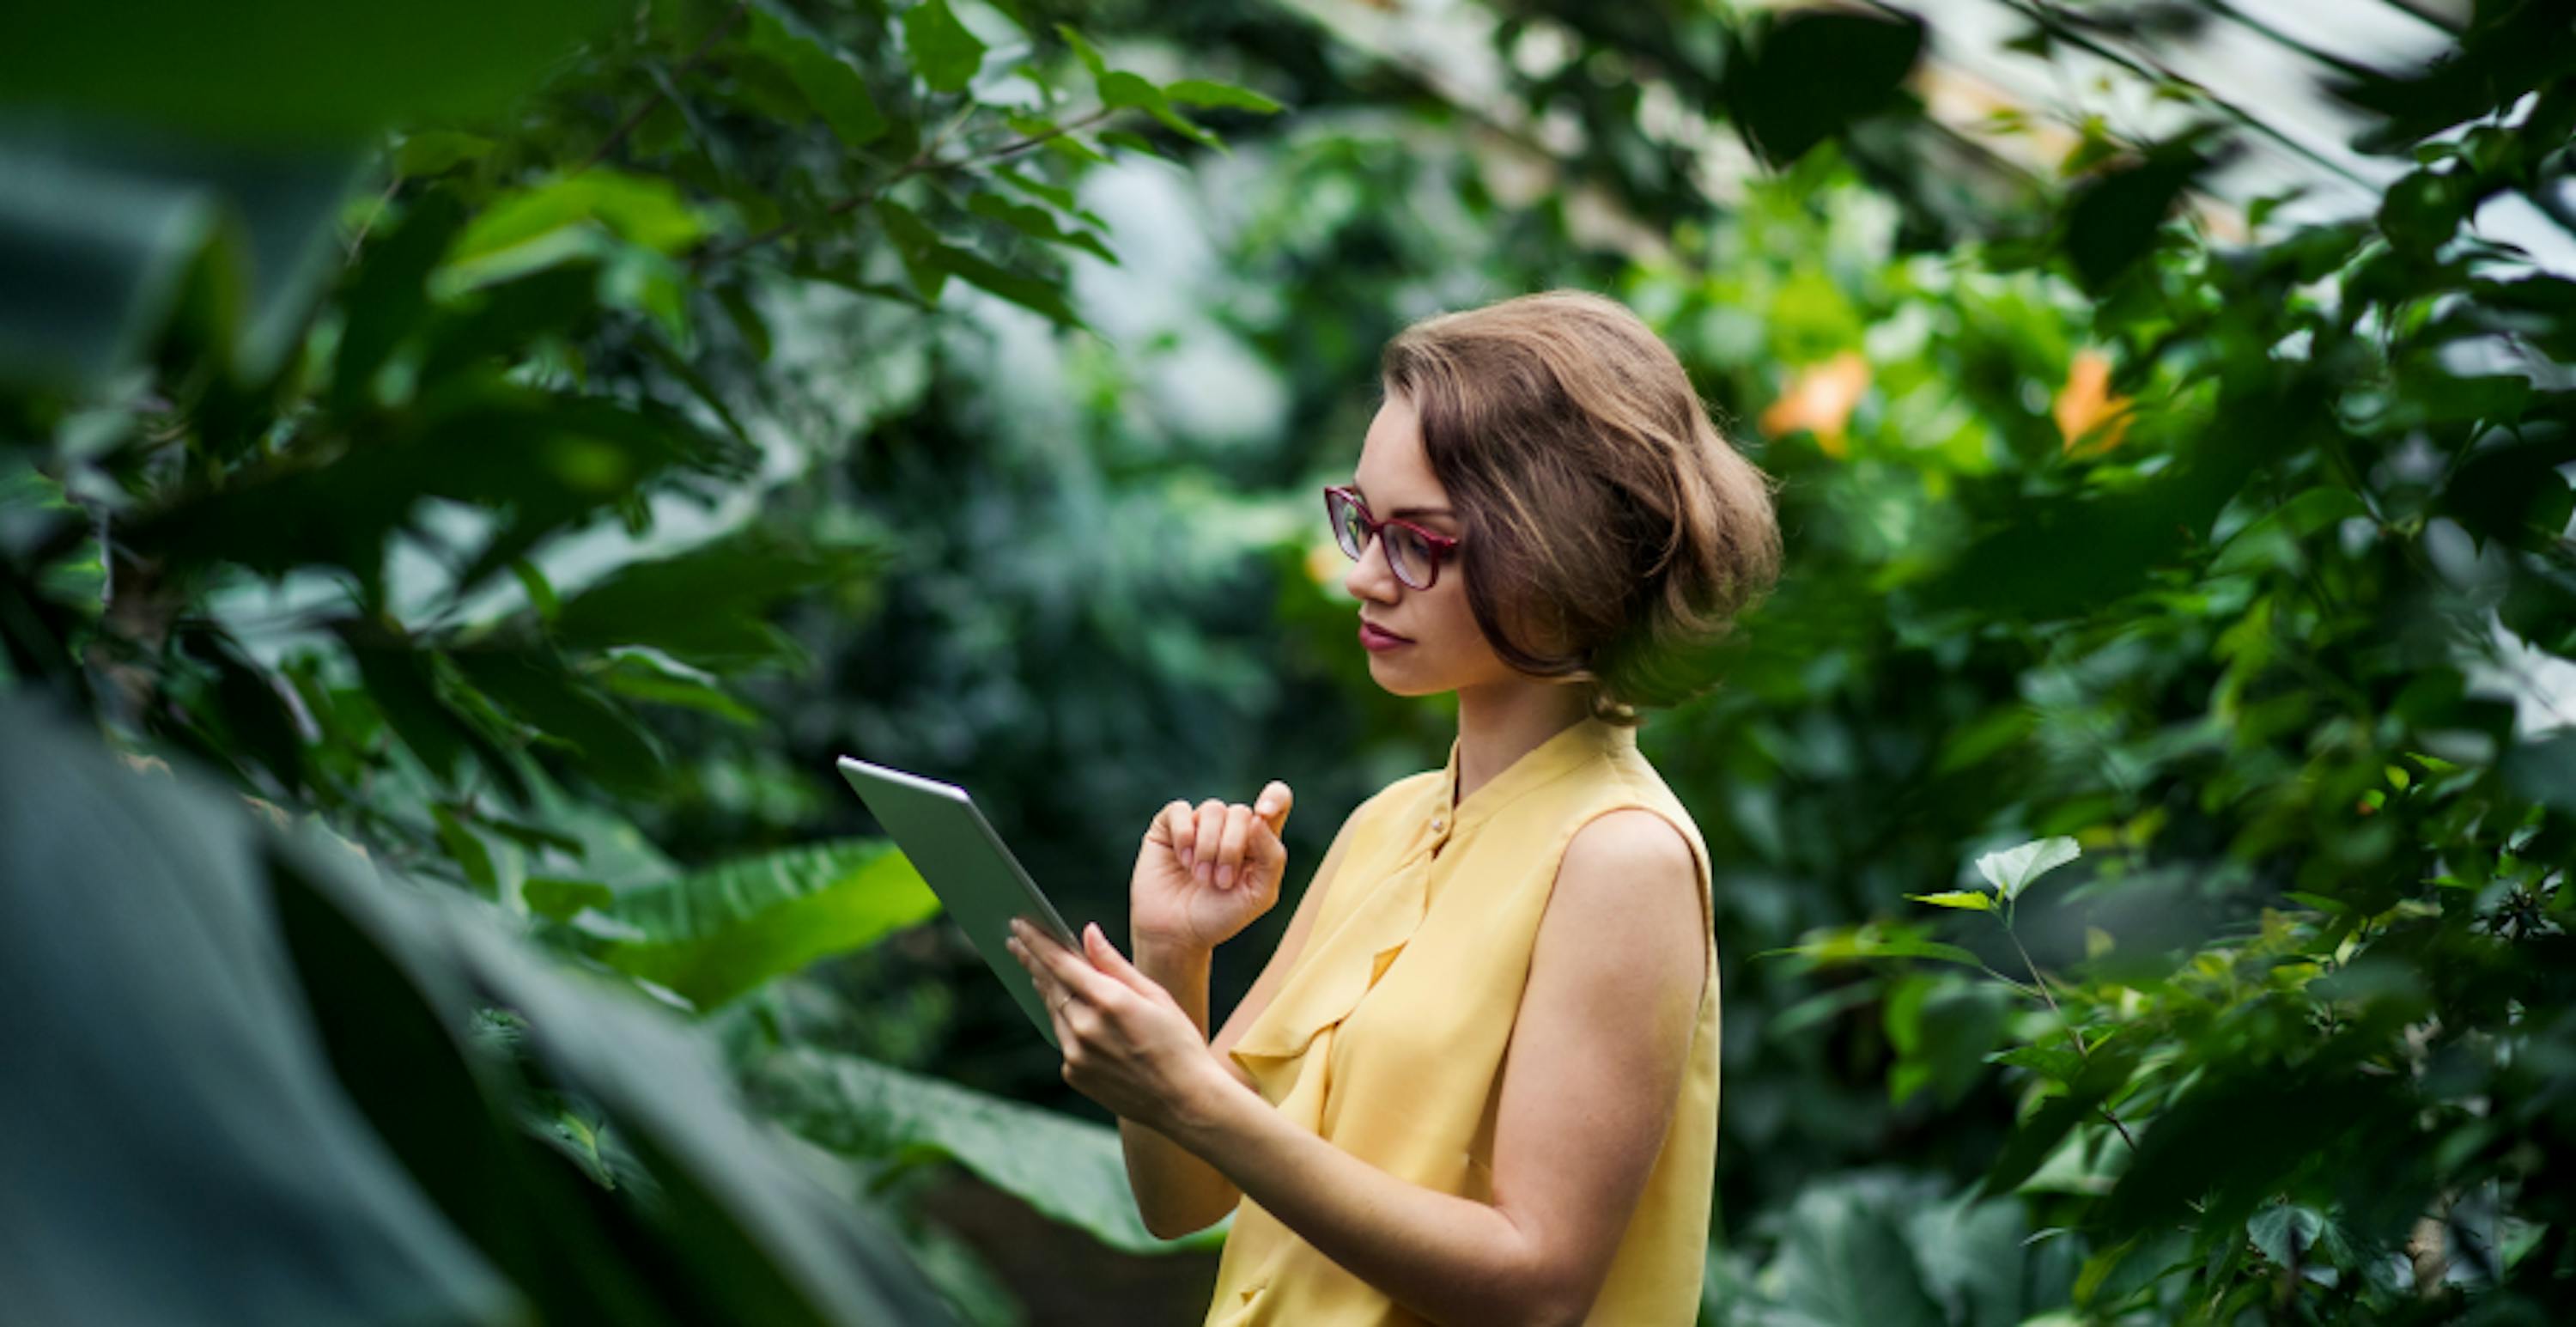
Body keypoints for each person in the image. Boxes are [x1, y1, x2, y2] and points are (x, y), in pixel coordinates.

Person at [1006, 289, 1783, 1324]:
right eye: (1363, 524)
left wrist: (1189, 1094)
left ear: (1559, 550)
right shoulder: (1394, 820)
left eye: (1419, 539)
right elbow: (1181, 1194)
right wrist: (1173, 959)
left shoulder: (1620, 857)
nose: (1363, 577)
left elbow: (1539, 1284)